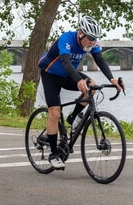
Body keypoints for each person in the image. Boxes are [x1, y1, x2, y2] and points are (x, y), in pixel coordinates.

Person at [37, 15, 122, 169]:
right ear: (80, 33)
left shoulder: (92, 43)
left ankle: (72, 118)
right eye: (90, 37)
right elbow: (65, 61)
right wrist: (78, 79)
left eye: (95, 38)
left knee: (92, 87)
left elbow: (100, 60)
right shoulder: (66, 39)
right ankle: (54, 154)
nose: (92, 41)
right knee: (55, 113)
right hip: (50, 74)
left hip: (68, 75)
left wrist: (112, 79)